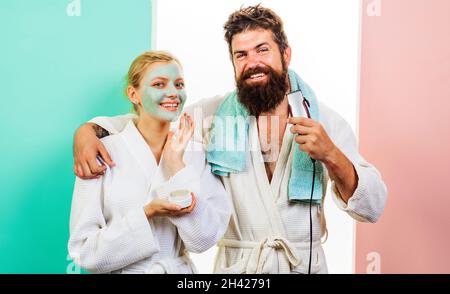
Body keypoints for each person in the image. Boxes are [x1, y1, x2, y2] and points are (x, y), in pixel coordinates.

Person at [72, 5, 387, 274]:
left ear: (285, 54)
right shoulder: (213, 116)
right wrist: (88, 130)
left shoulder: (323, 121)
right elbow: (153, 120)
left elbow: (371, 207)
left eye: (263, 50)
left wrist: (331, 154)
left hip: (302, 265)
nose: (253, 62)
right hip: (238, 270)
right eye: (241, 55)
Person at [68, 51, 231, 274]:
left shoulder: (195, 152)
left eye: (179, 84)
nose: (173, 93)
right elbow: (84, 252)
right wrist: (147, 213)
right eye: (159, 84)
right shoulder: (102, 151)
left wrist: (175, 165)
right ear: (133, 94)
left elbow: (203, 240)